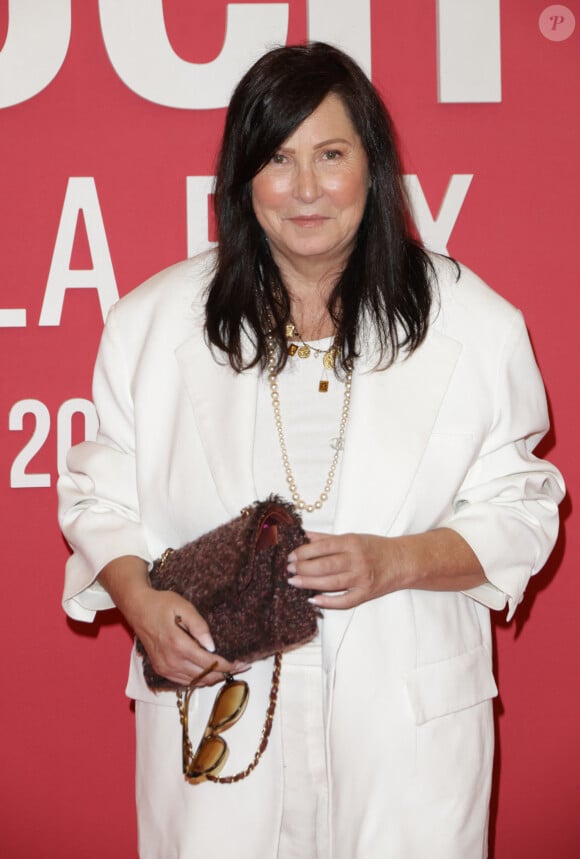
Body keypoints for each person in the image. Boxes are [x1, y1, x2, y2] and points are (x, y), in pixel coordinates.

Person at [58, 42, 564, 859]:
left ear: (373, 166)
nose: (304, 189)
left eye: (331, 156)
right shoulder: (152, 323)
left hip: (403, 728)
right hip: (221, 709)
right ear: (241, 180)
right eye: (278, 159)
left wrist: (395, 561)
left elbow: (524, 506)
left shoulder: (476, 324)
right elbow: (97, 498)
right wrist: (141, 604)